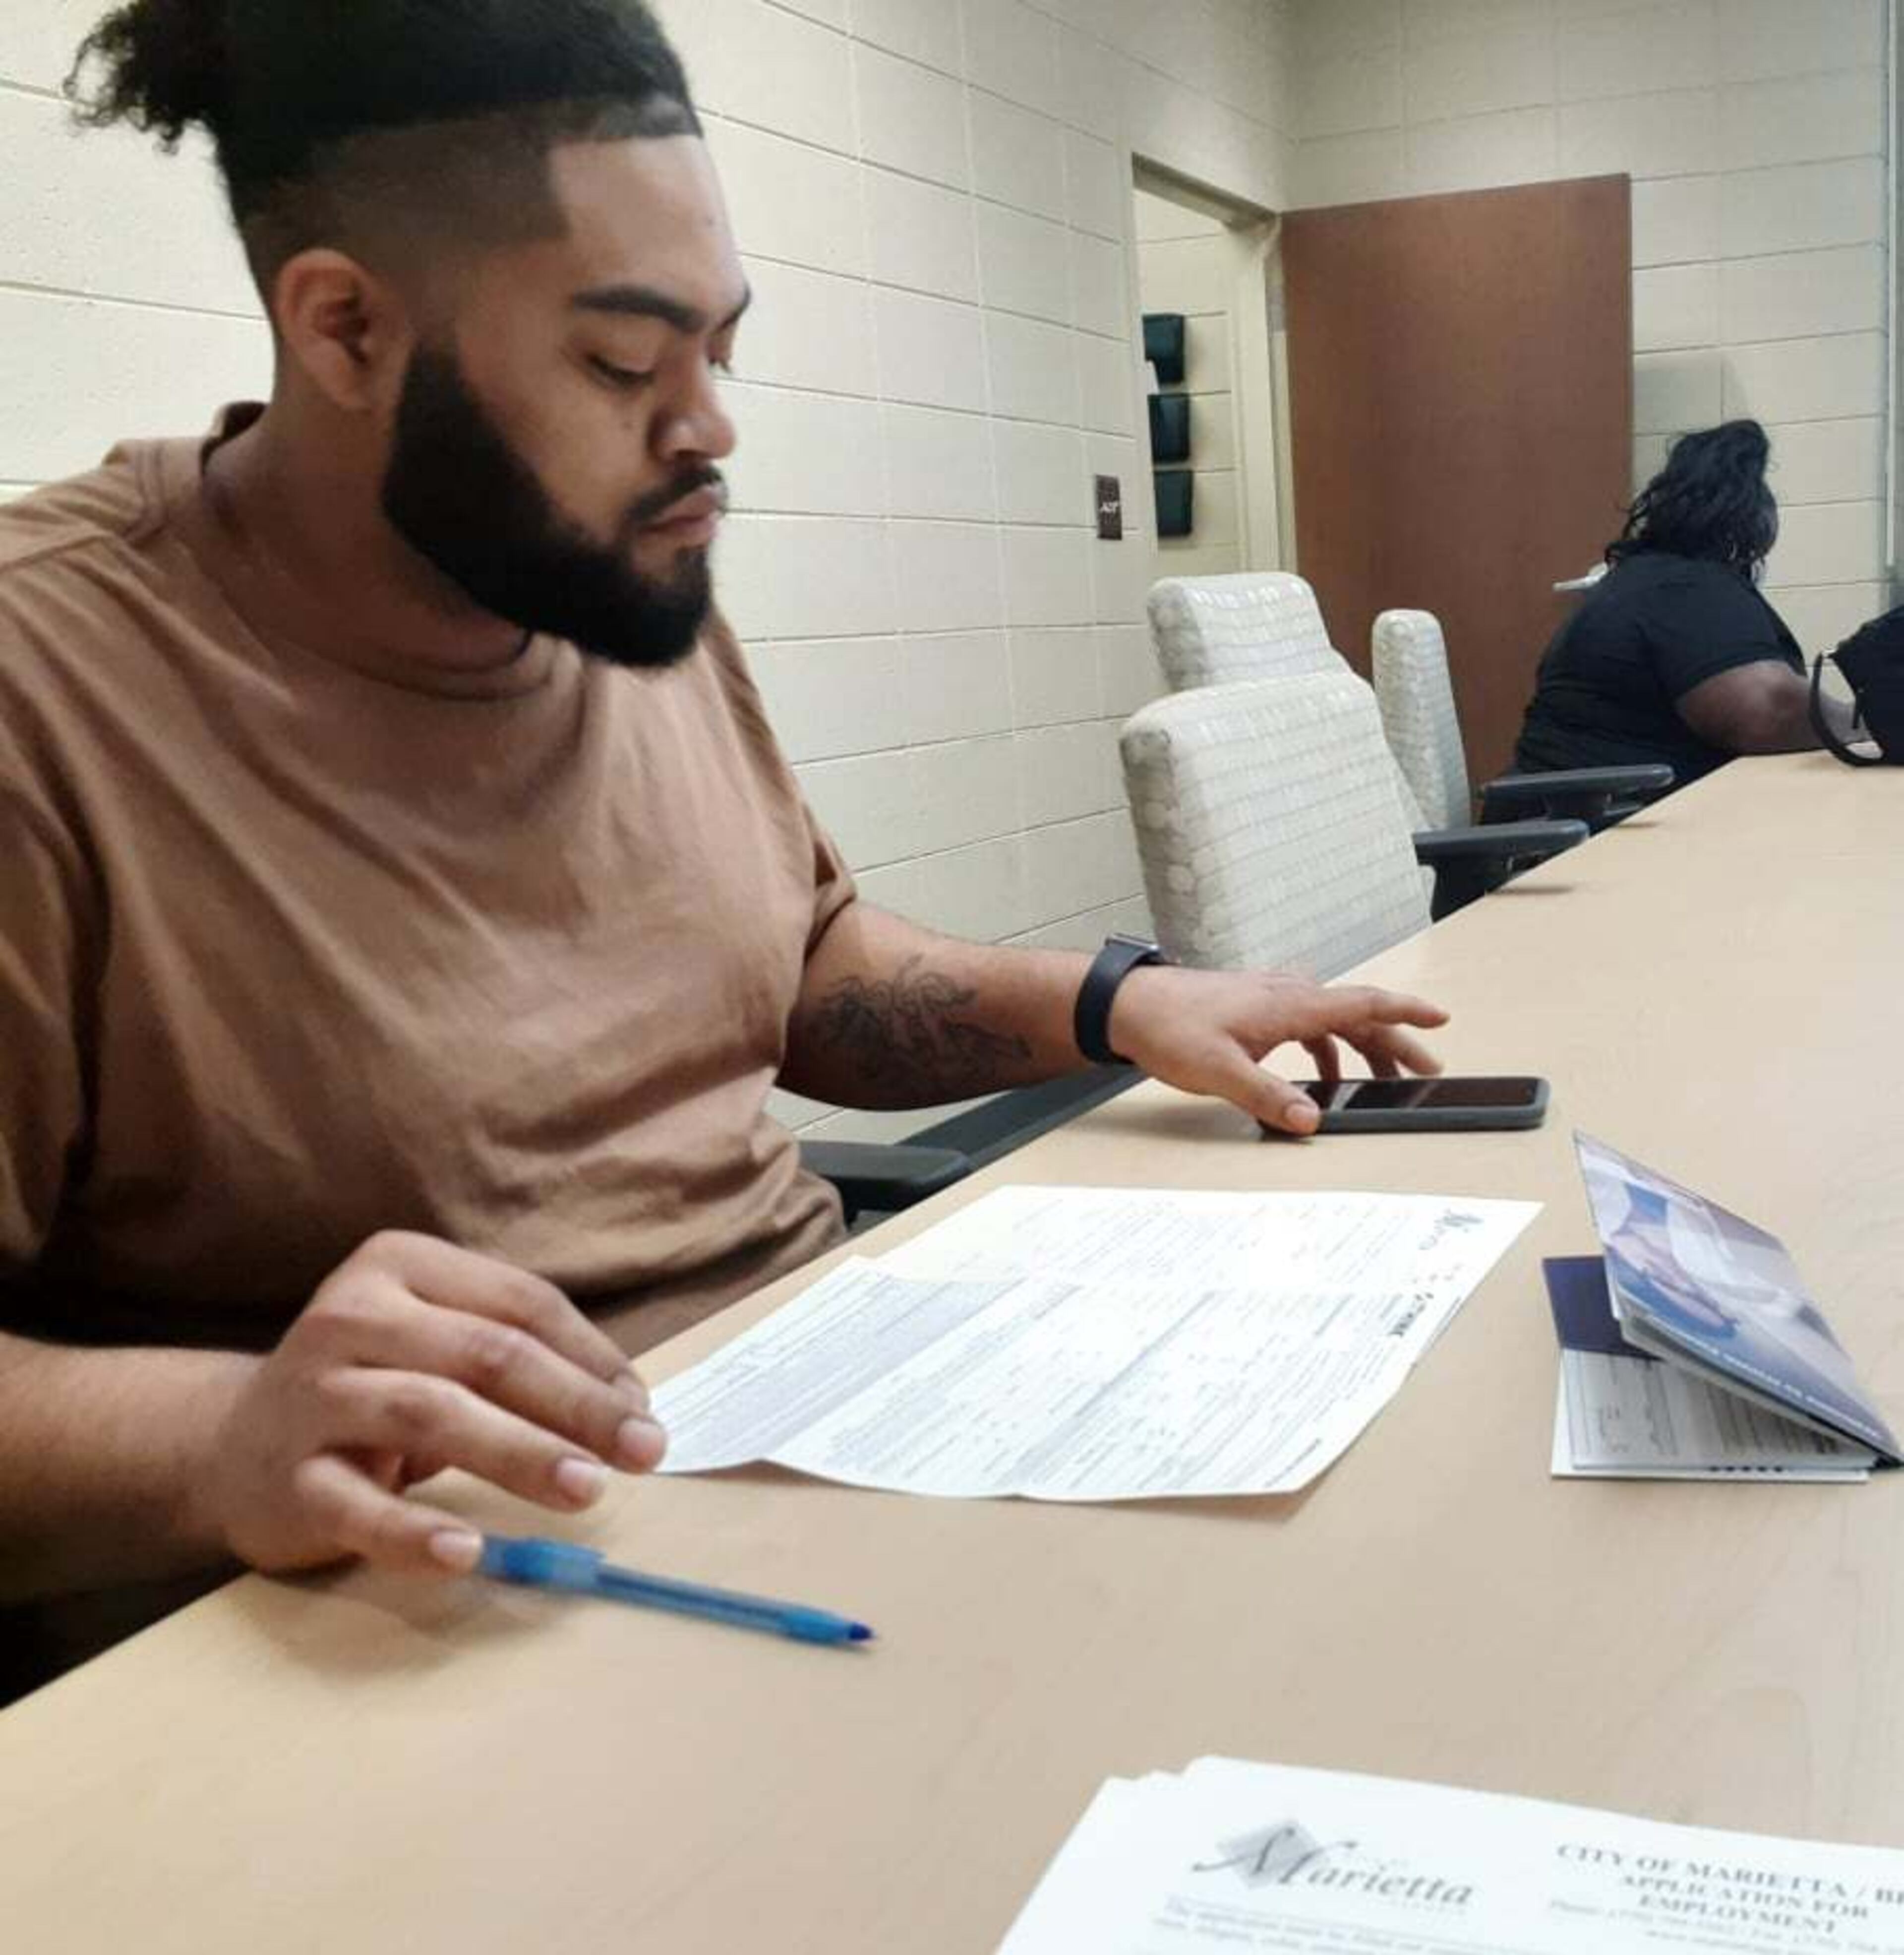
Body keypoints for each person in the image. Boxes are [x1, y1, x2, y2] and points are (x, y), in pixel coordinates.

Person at [0, 0, 1448, 1684]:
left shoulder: (615, 582)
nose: (710, 430)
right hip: (425, 1625)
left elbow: (801, 962)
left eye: (722, 350)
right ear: (342, 331)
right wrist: (224, 1436)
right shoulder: (54, 689)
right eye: (624, 364)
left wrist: (1117, 1005)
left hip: (818, 1448)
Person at [1512, 420, 1835, 788]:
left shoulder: (1651, 579)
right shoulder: (1681, 587)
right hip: (1589, 831)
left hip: (1587, 816)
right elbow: (1768, 712)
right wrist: (1868, 721)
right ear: (1748, 520)